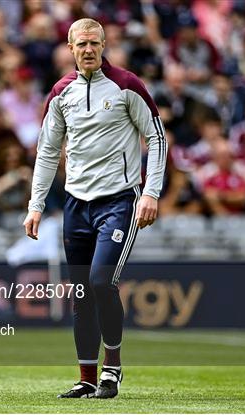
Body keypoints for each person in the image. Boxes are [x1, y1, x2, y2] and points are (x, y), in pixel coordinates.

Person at [23, 18, 167, 399]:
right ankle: (87, 377)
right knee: (81, 293)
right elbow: (47, 152)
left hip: (119, 201)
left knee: (102, 282)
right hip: (76, 204)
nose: (88, 50)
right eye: (81, 44)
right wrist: (36, 205)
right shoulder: (60, 93)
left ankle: (113, 369)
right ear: (69, 49)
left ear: (104, 45)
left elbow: (156, 136)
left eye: (95, 43)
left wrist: (150, 193)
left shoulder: (126, 86)